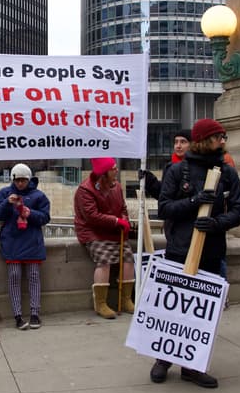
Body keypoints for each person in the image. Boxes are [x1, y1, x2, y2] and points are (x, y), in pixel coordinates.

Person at [154, 117, 240, 388]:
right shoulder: (177, 170)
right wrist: (195, 202)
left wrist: (217, 223)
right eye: (219, 136)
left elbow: (239, 210)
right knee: (171, 309)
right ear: (207, 140)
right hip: (179, 251)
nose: (223, 141)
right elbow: (165, 208)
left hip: (211, 252)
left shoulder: (227, 172)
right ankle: (162, 358)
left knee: (200, 313)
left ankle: (192, 366)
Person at [73, 157, 135, 319]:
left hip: (114, 231)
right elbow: (92, 216)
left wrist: (124, 220)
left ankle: (126, 299)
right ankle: (100, 303)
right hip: (93, 232)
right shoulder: (85, 190)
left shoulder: (117, 187)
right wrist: (116, 221)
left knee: (128, 258)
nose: (116, 170)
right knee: (104, 259)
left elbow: (122, 208)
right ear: (104, 172)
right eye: (113, 168)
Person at [0, 163, 51, 329]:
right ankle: (17, 315)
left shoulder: (39, 196)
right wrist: (7, 203)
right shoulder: (4, 193)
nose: (20, 184)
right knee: (14, 277)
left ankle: (34, 313)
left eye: (24, 180)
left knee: (33, 277)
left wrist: (29, 213)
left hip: (31, 242)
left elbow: (45, 218)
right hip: (12, 242)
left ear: (29, 179)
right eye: (18, 180)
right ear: (13, 179)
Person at [140, 130, 191, 199]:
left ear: (192, 144)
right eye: (176, 142)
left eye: (183, 142)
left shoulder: (195, 166)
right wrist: (149, 180)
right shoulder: (169, 167)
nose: (178, 146)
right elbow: (163, 195)